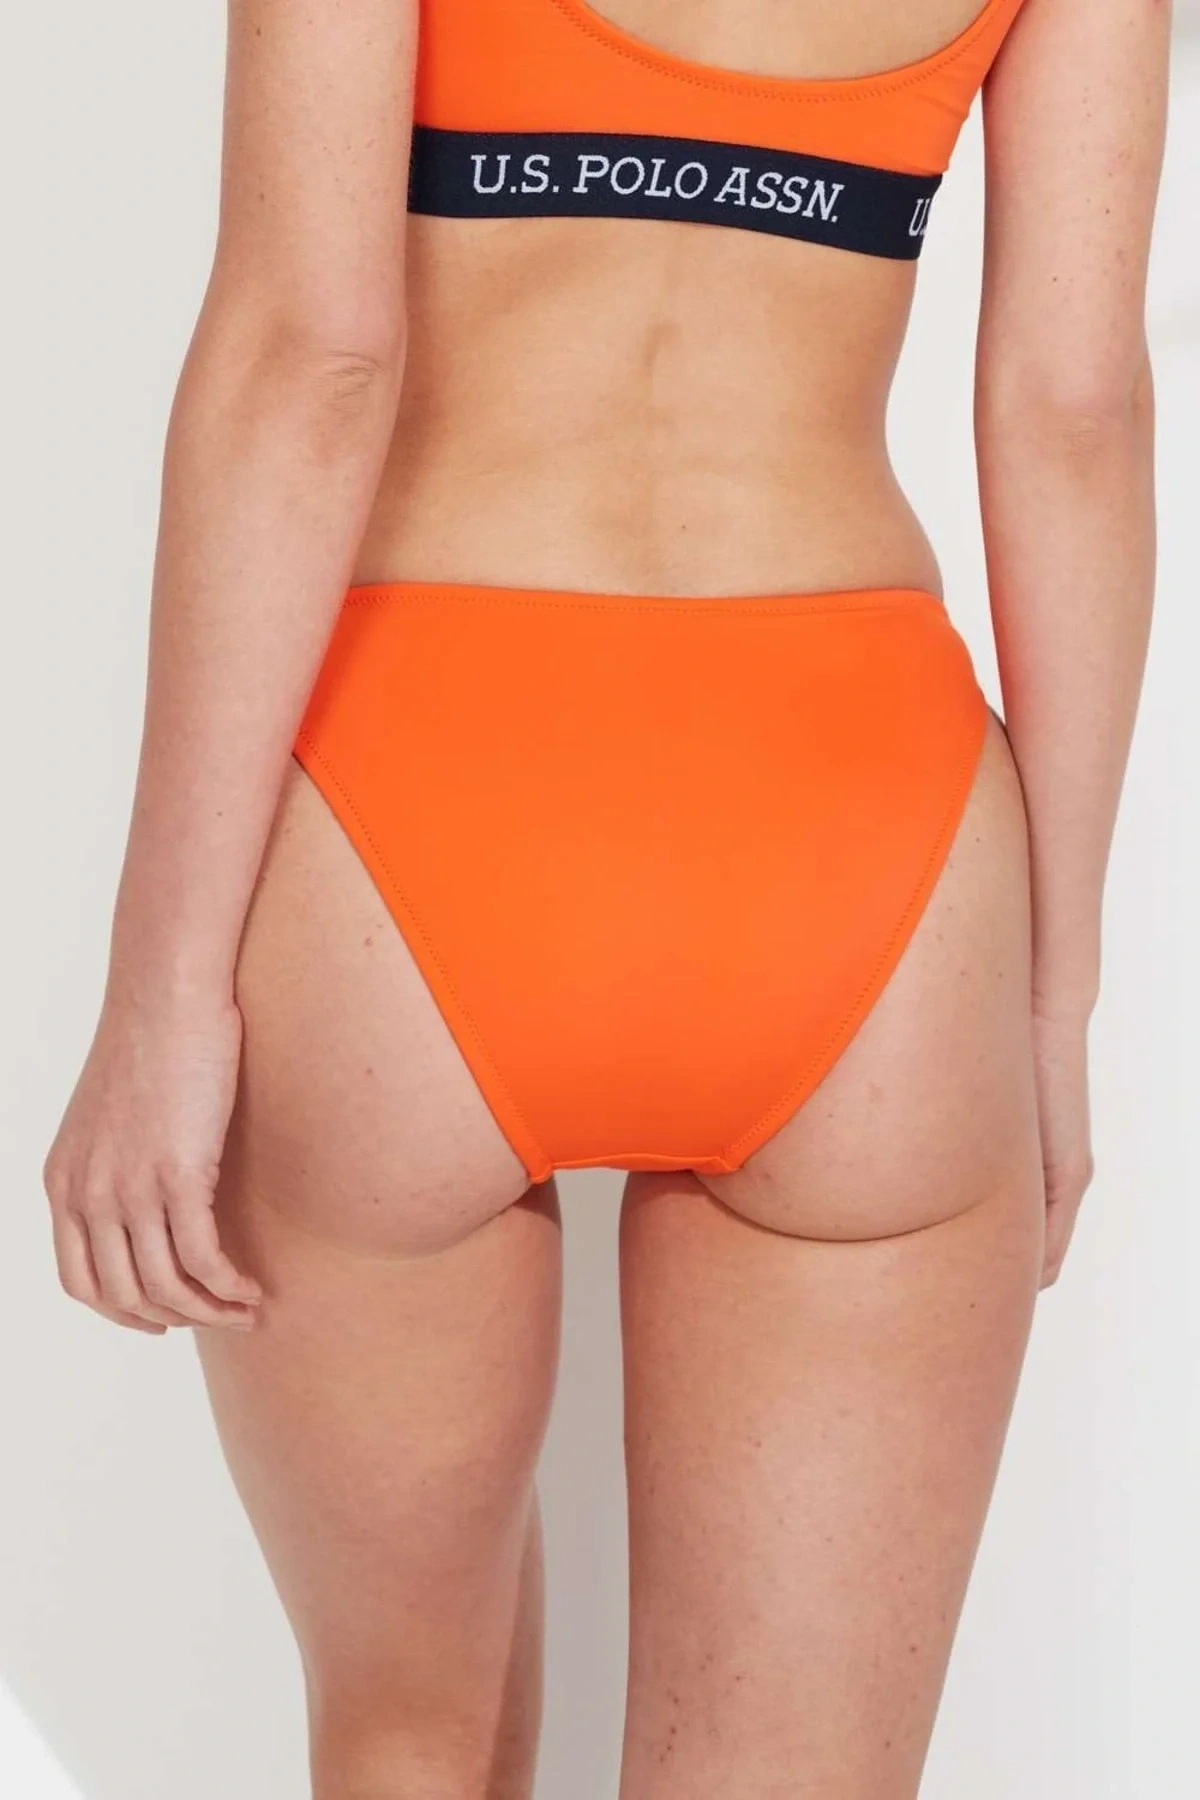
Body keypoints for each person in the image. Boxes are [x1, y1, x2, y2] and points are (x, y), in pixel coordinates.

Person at [43, 0, 1168, 1794]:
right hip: (859, 833)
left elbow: (312, 360)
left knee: (408, 1741)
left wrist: (161, 989)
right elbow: (1072, 411)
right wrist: (1051, 991)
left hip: (417, 810)